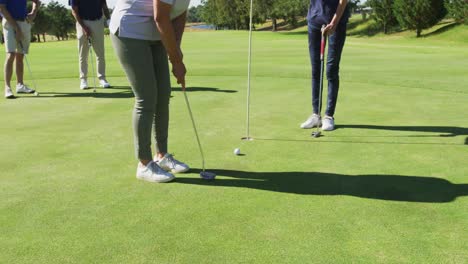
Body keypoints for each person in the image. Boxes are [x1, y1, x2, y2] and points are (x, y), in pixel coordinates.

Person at [110, 0, 191, 183]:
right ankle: (144, 164)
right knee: (146, 98)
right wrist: (176, 60)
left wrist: (176, 51)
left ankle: (161, 155)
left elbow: (179, 14)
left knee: (163, 96)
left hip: (155, 34)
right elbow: (161, 17)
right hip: (130, 30)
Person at [301, 0, 350, 131]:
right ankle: (315, 114)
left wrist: (334, 22)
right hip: (314, 21)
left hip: (336, 22)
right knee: (316, 70)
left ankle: (328, 116)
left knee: (331, 70)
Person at [0, 0, 40, 99]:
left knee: (20, 55)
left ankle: (20, 85)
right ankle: (7, 88)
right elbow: (2, 9)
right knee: (11, 54)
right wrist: (16, 28)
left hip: (24, 22)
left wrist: (33, 13)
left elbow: (37, 2)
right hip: (9, 23)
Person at [70, 0, 111, 90]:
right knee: (83, 54)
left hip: (98, 21)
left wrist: (109, 19)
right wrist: (84, 27)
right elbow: (74, 10)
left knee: (100, 53)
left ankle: (102, 79)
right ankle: (83, 80)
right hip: (82, 22)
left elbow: (104, 5)